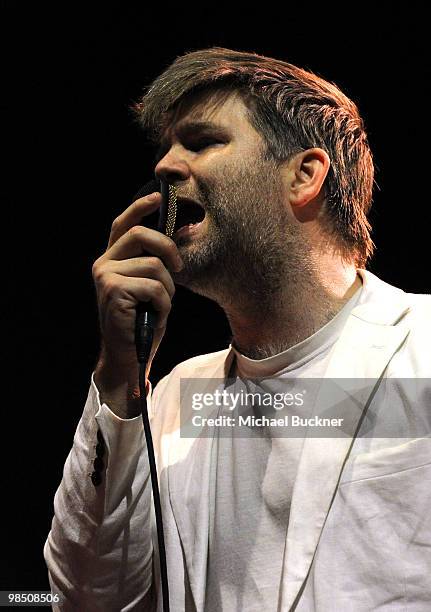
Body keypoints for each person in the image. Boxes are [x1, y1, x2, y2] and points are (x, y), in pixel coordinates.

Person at [44, 48, 431, 611]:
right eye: (166, 150)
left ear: (304, 175)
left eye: (201, 143)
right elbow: (85, 598)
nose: (166, 168)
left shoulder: (423, 347)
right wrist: (118, 376)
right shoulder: (175, 398)